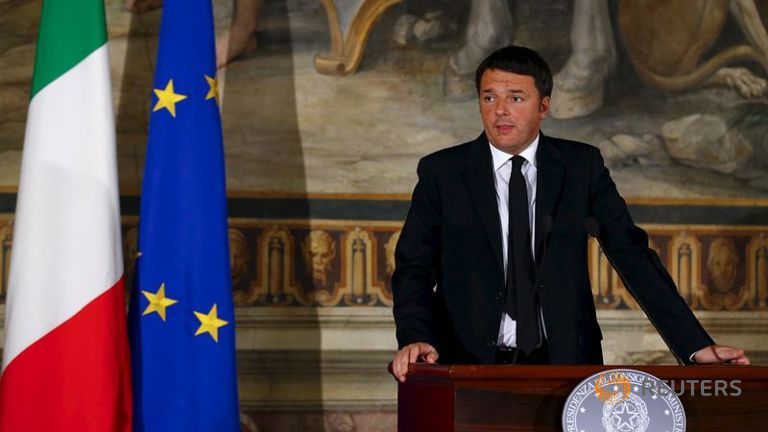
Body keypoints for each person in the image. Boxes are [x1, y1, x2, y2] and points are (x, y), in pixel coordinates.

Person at [391, 45, 749, 382]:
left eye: (515, 98)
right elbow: (414, 268)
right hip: (464, 364)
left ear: (543, 106)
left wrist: (694, 345)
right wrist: (415, 336)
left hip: (565, 365)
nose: (500, 110)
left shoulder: (581, 167)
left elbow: (632, 255)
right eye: (489, 97)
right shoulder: (444, 173)